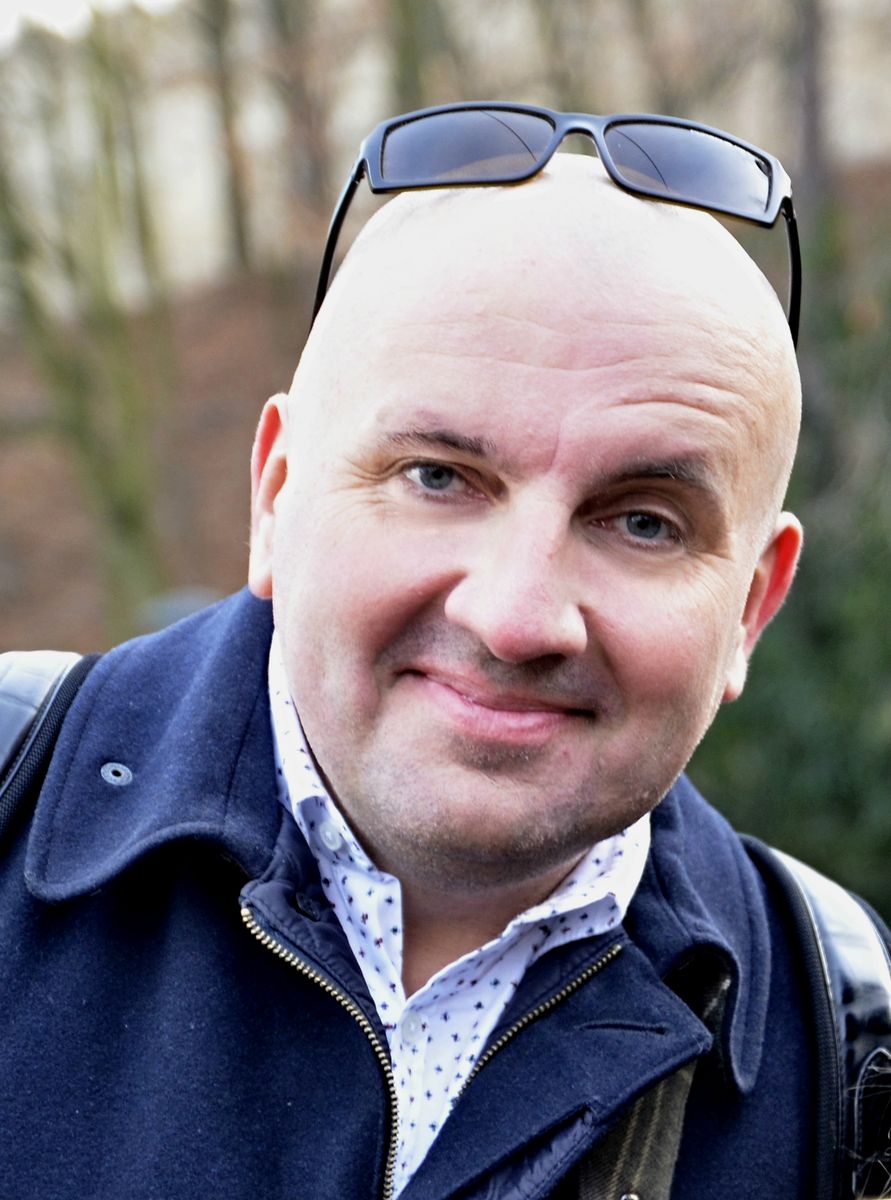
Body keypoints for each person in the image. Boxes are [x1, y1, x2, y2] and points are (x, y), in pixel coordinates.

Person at [1, 106, 820, 1199]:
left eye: (642, 522)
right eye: (437, 477)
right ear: (276, 497)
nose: (516, 618)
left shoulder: (849, 1058)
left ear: (751, 608)